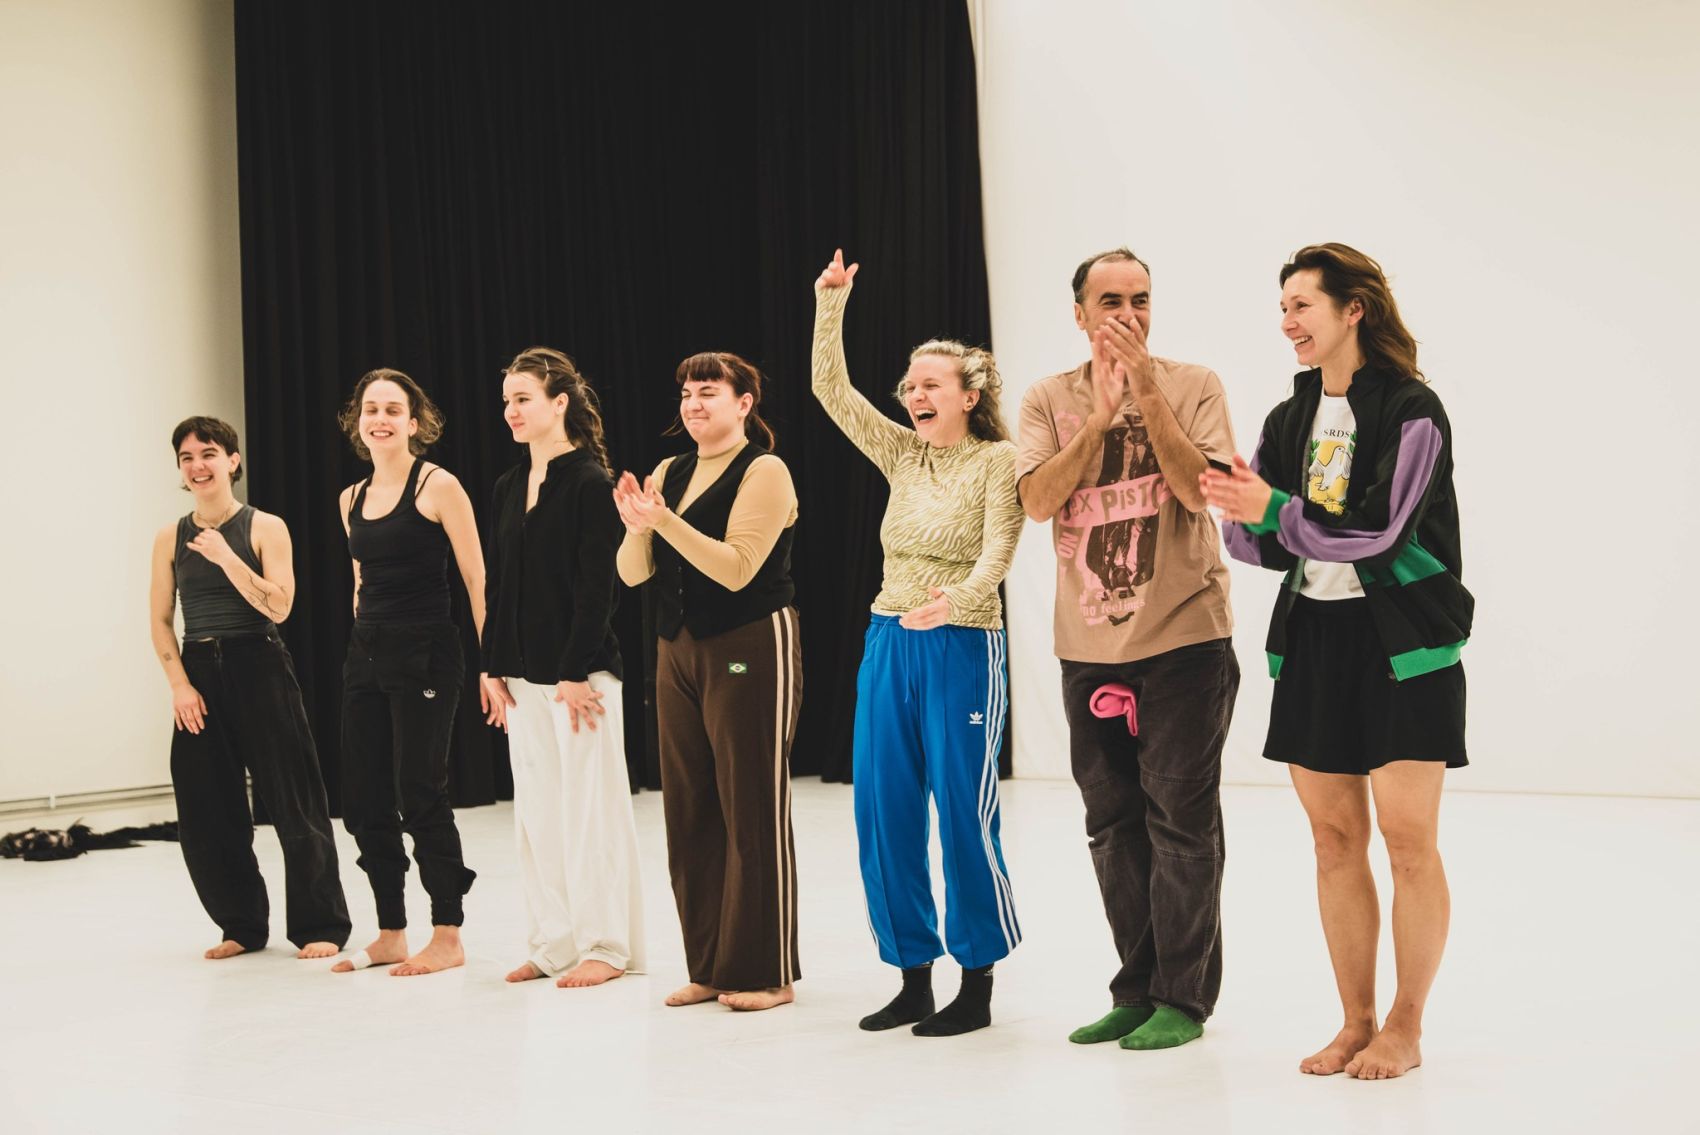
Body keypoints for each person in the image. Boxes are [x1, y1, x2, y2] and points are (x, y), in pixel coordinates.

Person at [1202, 243, 1471, 1080]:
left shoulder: (1415, 409)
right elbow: (1262, 546)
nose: (1288, 322)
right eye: (1282, 307)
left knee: (1408, 842)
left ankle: (1406, 1024)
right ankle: (1355, 1021)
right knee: (1332, 839)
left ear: (1354, 309)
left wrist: (1274, 507)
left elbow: (1382, 531)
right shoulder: (1289, 417)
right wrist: (1237, 509)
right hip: (1314, 639)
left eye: (1302, 305)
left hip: (1404, 645)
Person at [1016, 247, 1240, 1052]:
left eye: (1140, 298)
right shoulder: (1047, 398)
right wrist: (1101, 419)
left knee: (1181, 819)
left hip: (1185, 635)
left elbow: (1198, 492)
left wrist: (1144, 390)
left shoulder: (1194, 383)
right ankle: (1136, 989)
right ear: (1080, 313)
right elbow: (1038, 501)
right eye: (1110, 301)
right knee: (1113, 823)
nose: (1127, 314)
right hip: (1088, 643)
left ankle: (1183, 997)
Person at [812, 249, 1024, 1038]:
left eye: (931, 383)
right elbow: (831, 392)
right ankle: (912, 976)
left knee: (964, 811)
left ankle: (977, 981)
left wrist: (956, 601)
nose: (914, 394)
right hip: (889, 640)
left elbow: (1000, 551)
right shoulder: (903, 452)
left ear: (970, 395)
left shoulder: (998, 460)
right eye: (909, 384)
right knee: (884, 808)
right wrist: (830, 303)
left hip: (962, 645)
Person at [613, 350, 801, 1012]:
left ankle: (768, 971)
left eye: (709, 393)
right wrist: (638, 528)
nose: (693, 404)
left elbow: (737, 568)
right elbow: (634, 573)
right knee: (690, 810)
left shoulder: (765, 469)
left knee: (750, 806)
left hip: (748, 642)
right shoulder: (670, 470)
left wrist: (662, 520)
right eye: (687, 394)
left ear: (743, 403)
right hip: (678, 648)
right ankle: (712, 965)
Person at [148, 416, 352, 960]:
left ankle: (319, 924)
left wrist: (225, 556)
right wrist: (180, 685)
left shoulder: (265, 526)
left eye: (208, 454)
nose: (198, 466)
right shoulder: (169, 537)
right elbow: (160, 619)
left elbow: (280, 607)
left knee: (295, 801)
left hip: (258, 662)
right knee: (206, 811)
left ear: (232, 461)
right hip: (198, 671)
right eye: (187, 458)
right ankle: (240, 924)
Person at [481, 347, 646, 989]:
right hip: (522, 677)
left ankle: (606, 945)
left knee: (589, 815)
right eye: (506, 401)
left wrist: (574, 672)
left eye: (523, 398)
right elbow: (501, 585)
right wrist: (493, 664)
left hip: (581, 680)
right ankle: (554, 944)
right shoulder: (507, 485)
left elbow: (597, 590)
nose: (511, 411)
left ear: (559, 403)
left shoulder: (589, 483)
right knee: (539, 817)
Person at [331, 369, 487, 977]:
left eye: (393, 410)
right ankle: (391, 932)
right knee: (364, 797)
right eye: (371, 409)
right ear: (358, 420)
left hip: (427, 650)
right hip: (366, 651)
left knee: (420, 790)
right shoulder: (350, 498)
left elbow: (475, 577)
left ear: (413, 422)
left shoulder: (437, 484)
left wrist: (491, 662)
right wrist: (362, 643)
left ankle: (447, 934)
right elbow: (359, 583)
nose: (380, 419)